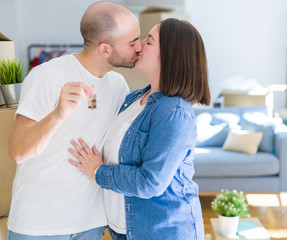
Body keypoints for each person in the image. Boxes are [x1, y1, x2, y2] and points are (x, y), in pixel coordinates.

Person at [7, 2, 141, 240]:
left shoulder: (118, 84)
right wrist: (58, 114)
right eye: (132, 42)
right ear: (105, 49)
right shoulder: (48, 76)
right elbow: (18, 152)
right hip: (39, 226)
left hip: (91, 224)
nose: (139, 47)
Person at [68, 18, 210, 240]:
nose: (139, 45)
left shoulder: (175, 112)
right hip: (125, 231)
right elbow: (102, 125)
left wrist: (98, 171)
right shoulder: (135, 98)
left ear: (170, 56)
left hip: (163, 232)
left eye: (149, 41)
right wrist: (88, 94)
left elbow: (150, 182)